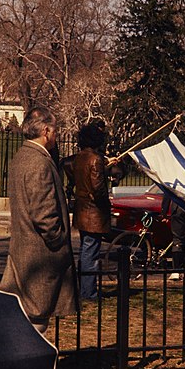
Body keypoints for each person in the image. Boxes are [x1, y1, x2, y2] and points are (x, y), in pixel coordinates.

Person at [0, 107, 78, 333]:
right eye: (55, 130)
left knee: (25, 313)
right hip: (41, 253)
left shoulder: (21, 157)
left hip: (24, 247)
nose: (56, 135)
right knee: (37, 317)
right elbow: (43, 213)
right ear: (46, 130)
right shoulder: (39, 162)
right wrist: (58, 239)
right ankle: (32, 366)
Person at [72, 122, 111, 300]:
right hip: (94, 212)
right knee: (91, 253)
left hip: (81, 209)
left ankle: (85, 289)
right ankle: (89, 292)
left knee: (85, 250)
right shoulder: (96, 159)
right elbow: (98, 188)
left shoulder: (80, 157)